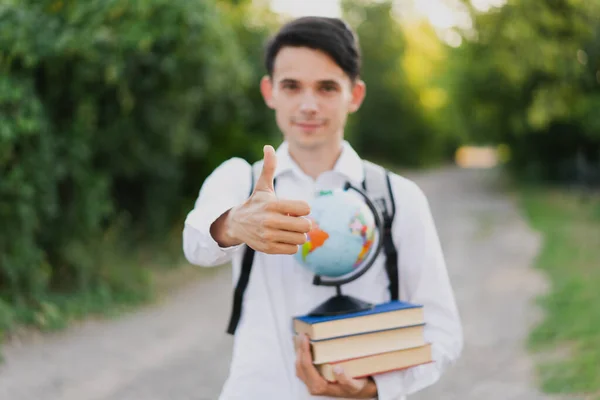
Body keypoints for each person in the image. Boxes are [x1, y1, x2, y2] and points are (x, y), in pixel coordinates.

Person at [183, 16, 463, 400]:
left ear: (356, 95)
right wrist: (233, 225)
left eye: (327, 87)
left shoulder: (399, 196)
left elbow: (442, 329)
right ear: (269, 91)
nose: (308, 105)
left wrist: (376, 388)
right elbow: (194, 244)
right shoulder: (239, 182)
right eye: (292, 86)